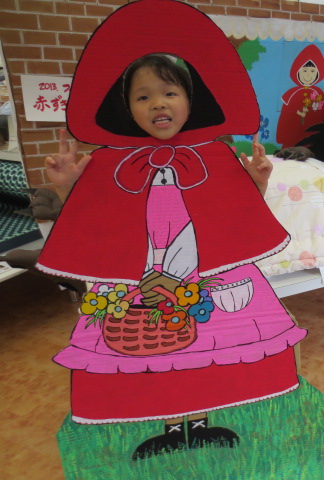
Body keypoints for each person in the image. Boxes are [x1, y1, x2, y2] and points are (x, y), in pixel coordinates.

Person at [37, 12, 307, 461]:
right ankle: (165, 427)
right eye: (143, 96)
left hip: (207, 276)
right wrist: (67, 187)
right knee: (151, 357)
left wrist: (256, 183)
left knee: (212, 353)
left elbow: (232, 219)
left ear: (190, 100)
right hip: (136, 280)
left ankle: (201, 425)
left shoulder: (217, 156)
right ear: (126, 107)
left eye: (169, 92)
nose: (157, 104)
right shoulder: (108, 163)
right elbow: (92, 223)